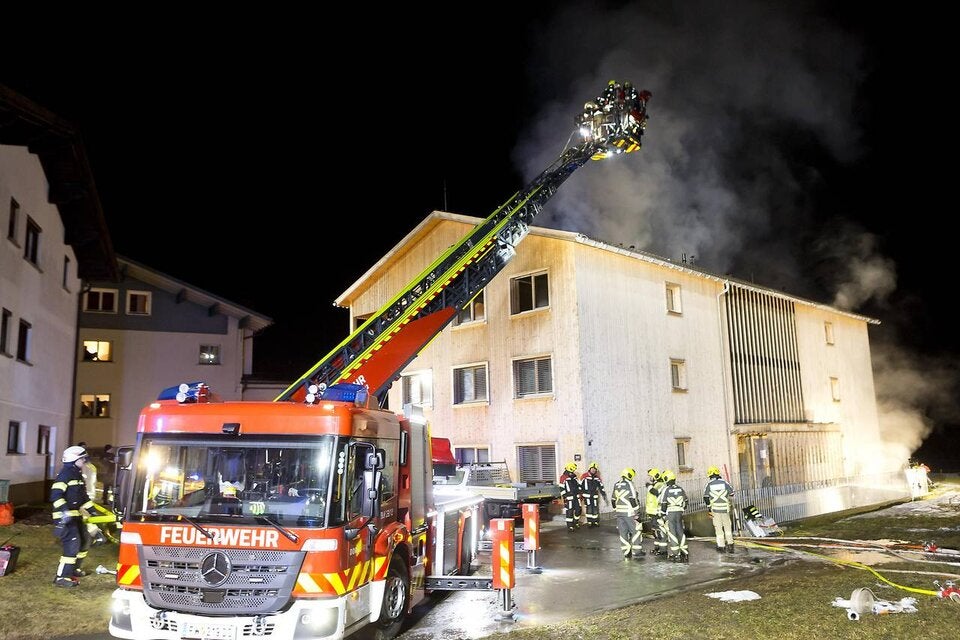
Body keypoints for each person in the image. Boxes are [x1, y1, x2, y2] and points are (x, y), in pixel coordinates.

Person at [50, 445, 98, 587]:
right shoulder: (65, 475)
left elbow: (83, 497)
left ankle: (74, 569)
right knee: (72, 545)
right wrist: (65, 511)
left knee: (84, 541)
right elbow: (55, 496)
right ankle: (61, 577)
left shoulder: (77, 475)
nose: (84, 461)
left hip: (75, 515)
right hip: (64, 517)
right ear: (74, 459)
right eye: (82, 458)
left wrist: (93, 511)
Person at [612, 468, 644, 559]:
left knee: (623, 532)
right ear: (629, 475)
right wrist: (637, 512)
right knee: (636, 531)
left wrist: (616, 510)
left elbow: (613, 500)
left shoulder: (616, 484)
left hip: (619, 513)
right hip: (629, 513)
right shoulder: (629, 484)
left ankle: (626, 552)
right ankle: (637, 551)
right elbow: (632, 498)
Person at [703, 465, 736, 553]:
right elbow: (732, 493)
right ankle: (730, 544)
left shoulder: (709, 484)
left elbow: (706, 497)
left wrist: (709, 507)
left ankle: (721, 546)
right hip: (725, 509)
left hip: (715, 510)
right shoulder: (725, 483)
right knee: (727, 527)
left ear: (710, 475)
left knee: (718, 528)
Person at [658, 469, 688, 562]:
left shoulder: (666, 489)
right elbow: (686, 501)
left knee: (672, 533)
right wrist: (682, 509)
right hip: (679, 512)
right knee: (680, 531)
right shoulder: (680, 488)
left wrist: (662, 515)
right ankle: (684, 552)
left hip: (670, 513)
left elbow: (663, 503)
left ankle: (676, 554)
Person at [644, 468, 667, 556]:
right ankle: (657, 548)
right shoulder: (655, 484)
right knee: (655, 532)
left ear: (655, 476)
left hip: (657, 513)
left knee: (659, 531)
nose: (649, 478)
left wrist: (649, 486)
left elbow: (656, 492)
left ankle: (663, 550)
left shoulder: (660, 485)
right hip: (653, 513)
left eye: (651, 476)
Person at [579, 462, 607, 527]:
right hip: (587, 495)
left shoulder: (597, 477)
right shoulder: (584, 476)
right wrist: (580, 495)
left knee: (595, 508)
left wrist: (604, 495)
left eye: (595, 469)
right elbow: (580, 486)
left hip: (594, 496)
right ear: (590, 469)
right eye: (592, 469)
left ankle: (595, 521)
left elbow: (601, 487)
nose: (593, 470)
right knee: (589, 508)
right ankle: (590, 522)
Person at [560, 463, 582, 531]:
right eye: (572, 470)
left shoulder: (574, 476)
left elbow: (578, 485)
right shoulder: (563, 477)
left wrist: (580, 492)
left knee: (578, 510)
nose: (573, 472)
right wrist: (565, 497)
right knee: (569, 512)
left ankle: (575, 522)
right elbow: (561, 488)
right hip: (569, 497)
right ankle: (570, 526)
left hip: (576, 497)